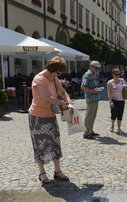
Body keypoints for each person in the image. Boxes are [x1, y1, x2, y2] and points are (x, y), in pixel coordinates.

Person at [28, 56, 73, 184]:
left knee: (55, 143)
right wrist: (61, 103)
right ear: (53, 69)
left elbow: (63, 92)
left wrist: (69, 103)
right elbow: (46, 98)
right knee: (39, 145)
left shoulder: (53, 77)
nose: (60, 75)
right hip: (37, 116)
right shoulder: (39, 79)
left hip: (50, 115)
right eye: (59, 72)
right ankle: (42, 173)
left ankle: (57, 171)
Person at [107, 68, 127, 134]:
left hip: (121, 100)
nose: (117, 75)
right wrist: (110, 101)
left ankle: (119, 128)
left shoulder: (122, 80)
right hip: (114, 100)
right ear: (112, 74)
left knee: (120, 115)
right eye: (115, 74)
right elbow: (109, 93)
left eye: (118, 74)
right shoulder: (110, 83)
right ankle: (112, 125)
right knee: (113, 115)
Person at [81, 61, 102, 139]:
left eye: (98, 68)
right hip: (90, 98)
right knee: (89, 116)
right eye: (96, 68)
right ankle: (86, 133)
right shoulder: (87, 75)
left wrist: (98, 89)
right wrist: (93, 91)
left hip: (96, 97)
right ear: (91, 67)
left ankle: (90, 131)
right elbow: (83, 87)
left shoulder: (95, 74)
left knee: (93, 116)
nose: (97, 69)